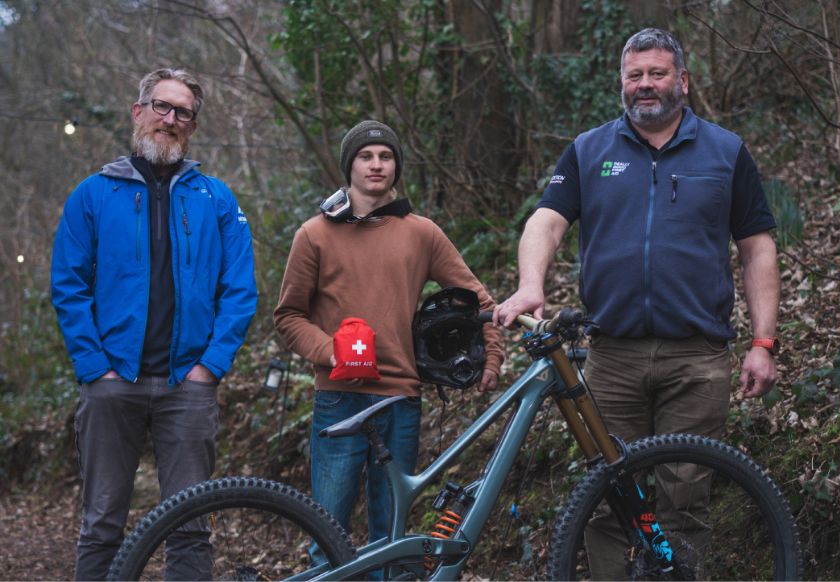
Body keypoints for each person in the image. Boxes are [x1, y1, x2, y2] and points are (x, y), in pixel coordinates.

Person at [493, 28, 780, 579]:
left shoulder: (726, 151)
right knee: (606, 501)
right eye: (635, 75)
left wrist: (763, 342)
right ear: (621, 83)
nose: (645, 85)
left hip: (697, 358)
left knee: (685, 499)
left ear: (683, 80)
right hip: (610, 359)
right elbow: (546, 222)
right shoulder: (589, 149)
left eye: (657, 73)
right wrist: (532, 284)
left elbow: (757, 248)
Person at [51, 68, 258, 580]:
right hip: (111, 383)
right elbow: (67, 286)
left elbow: (240, 290)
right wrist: (94, 366)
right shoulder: (92, 195)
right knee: (102, 525)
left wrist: (210, 367)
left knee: (190, 527)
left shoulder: (216, 199)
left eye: (182, 112)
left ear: (192, 124)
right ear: (138, 112)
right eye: (161, 107)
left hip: (187, 386)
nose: (170, 119)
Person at [273, 120, 504, 571]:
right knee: (326, 532)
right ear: (349, 166)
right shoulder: (314, 234)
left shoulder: (422, 233)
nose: (376, 165)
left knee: (391, 538)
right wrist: (331, 352)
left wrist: (492, 355)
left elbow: (477, 299)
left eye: (385, 156)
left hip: (400, 396)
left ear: (396, 166)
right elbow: (288, 316)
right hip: (338, 398)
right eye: (366, 156)